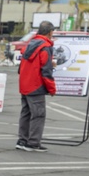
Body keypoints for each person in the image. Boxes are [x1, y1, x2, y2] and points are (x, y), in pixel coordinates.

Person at [16, 21, 55, 152]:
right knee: (38, 114)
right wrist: (51, 88)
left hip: (25, 83)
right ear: (50, 32)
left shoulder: (30, 44)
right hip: (36, 85)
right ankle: (33, 142)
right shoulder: (45, 47)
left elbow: (22, 66)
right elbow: (46, 70)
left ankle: (22, 140)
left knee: (26, 113)